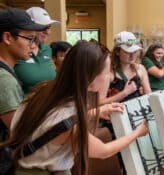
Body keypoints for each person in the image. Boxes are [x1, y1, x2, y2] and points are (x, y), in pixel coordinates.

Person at [0, 41, 148, 174]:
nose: (109, 77)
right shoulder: (71, 119)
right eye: (107, 72)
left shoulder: (43, 90)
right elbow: (103, 151)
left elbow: (52, 124)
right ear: (91, 76)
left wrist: (96, 111)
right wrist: (137, 132)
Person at [0, 8, 47, 141]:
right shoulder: (4, 80)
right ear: (8, 38)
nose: (33, 46)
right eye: (30, 39)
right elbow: (20, 131)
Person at [14, 6, 60, 94]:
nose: (48, 32)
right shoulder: (18, 51)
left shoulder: (47, 50)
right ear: (29, 27)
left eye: (49, 27)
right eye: (42, 27)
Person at [99, 31, 151, 105]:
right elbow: (100, 103)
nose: (132, 56)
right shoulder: (109, 73)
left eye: (135, 51)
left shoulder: (140, 69)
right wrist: (124, 93)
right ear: (117, 52)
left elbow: (148, 96)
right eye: (127, 52)